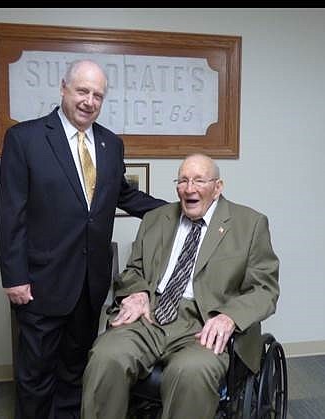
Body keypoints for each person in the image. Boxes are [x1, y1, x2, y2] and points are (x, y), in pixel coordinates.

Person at [0, 59, 166, 419]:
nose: (90, 101)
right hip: (40, 283)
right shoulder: (24, 139)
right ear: (63, 89)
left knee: (76, 371)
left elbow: (123, 195)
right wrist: (14, 277)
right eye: (82, 91)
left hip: (89, 283)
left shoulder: (110, 144)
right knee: (36, 375)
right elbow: (11, 213)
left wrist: (178, 211)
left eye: (98, 95)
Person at [81, 153, 280, 419]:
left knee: (190, 372)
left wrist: (230, 317)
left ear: (218, 187)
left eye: (199, 181)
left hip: (204, 324)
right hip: (151, 316)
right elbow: (134, 271)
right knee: (106, 355)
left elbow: (265, 288)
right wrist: (137, 292)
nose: (189, 189)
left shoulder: (250, 224)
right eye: (183, 181)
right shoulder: (156, 218)